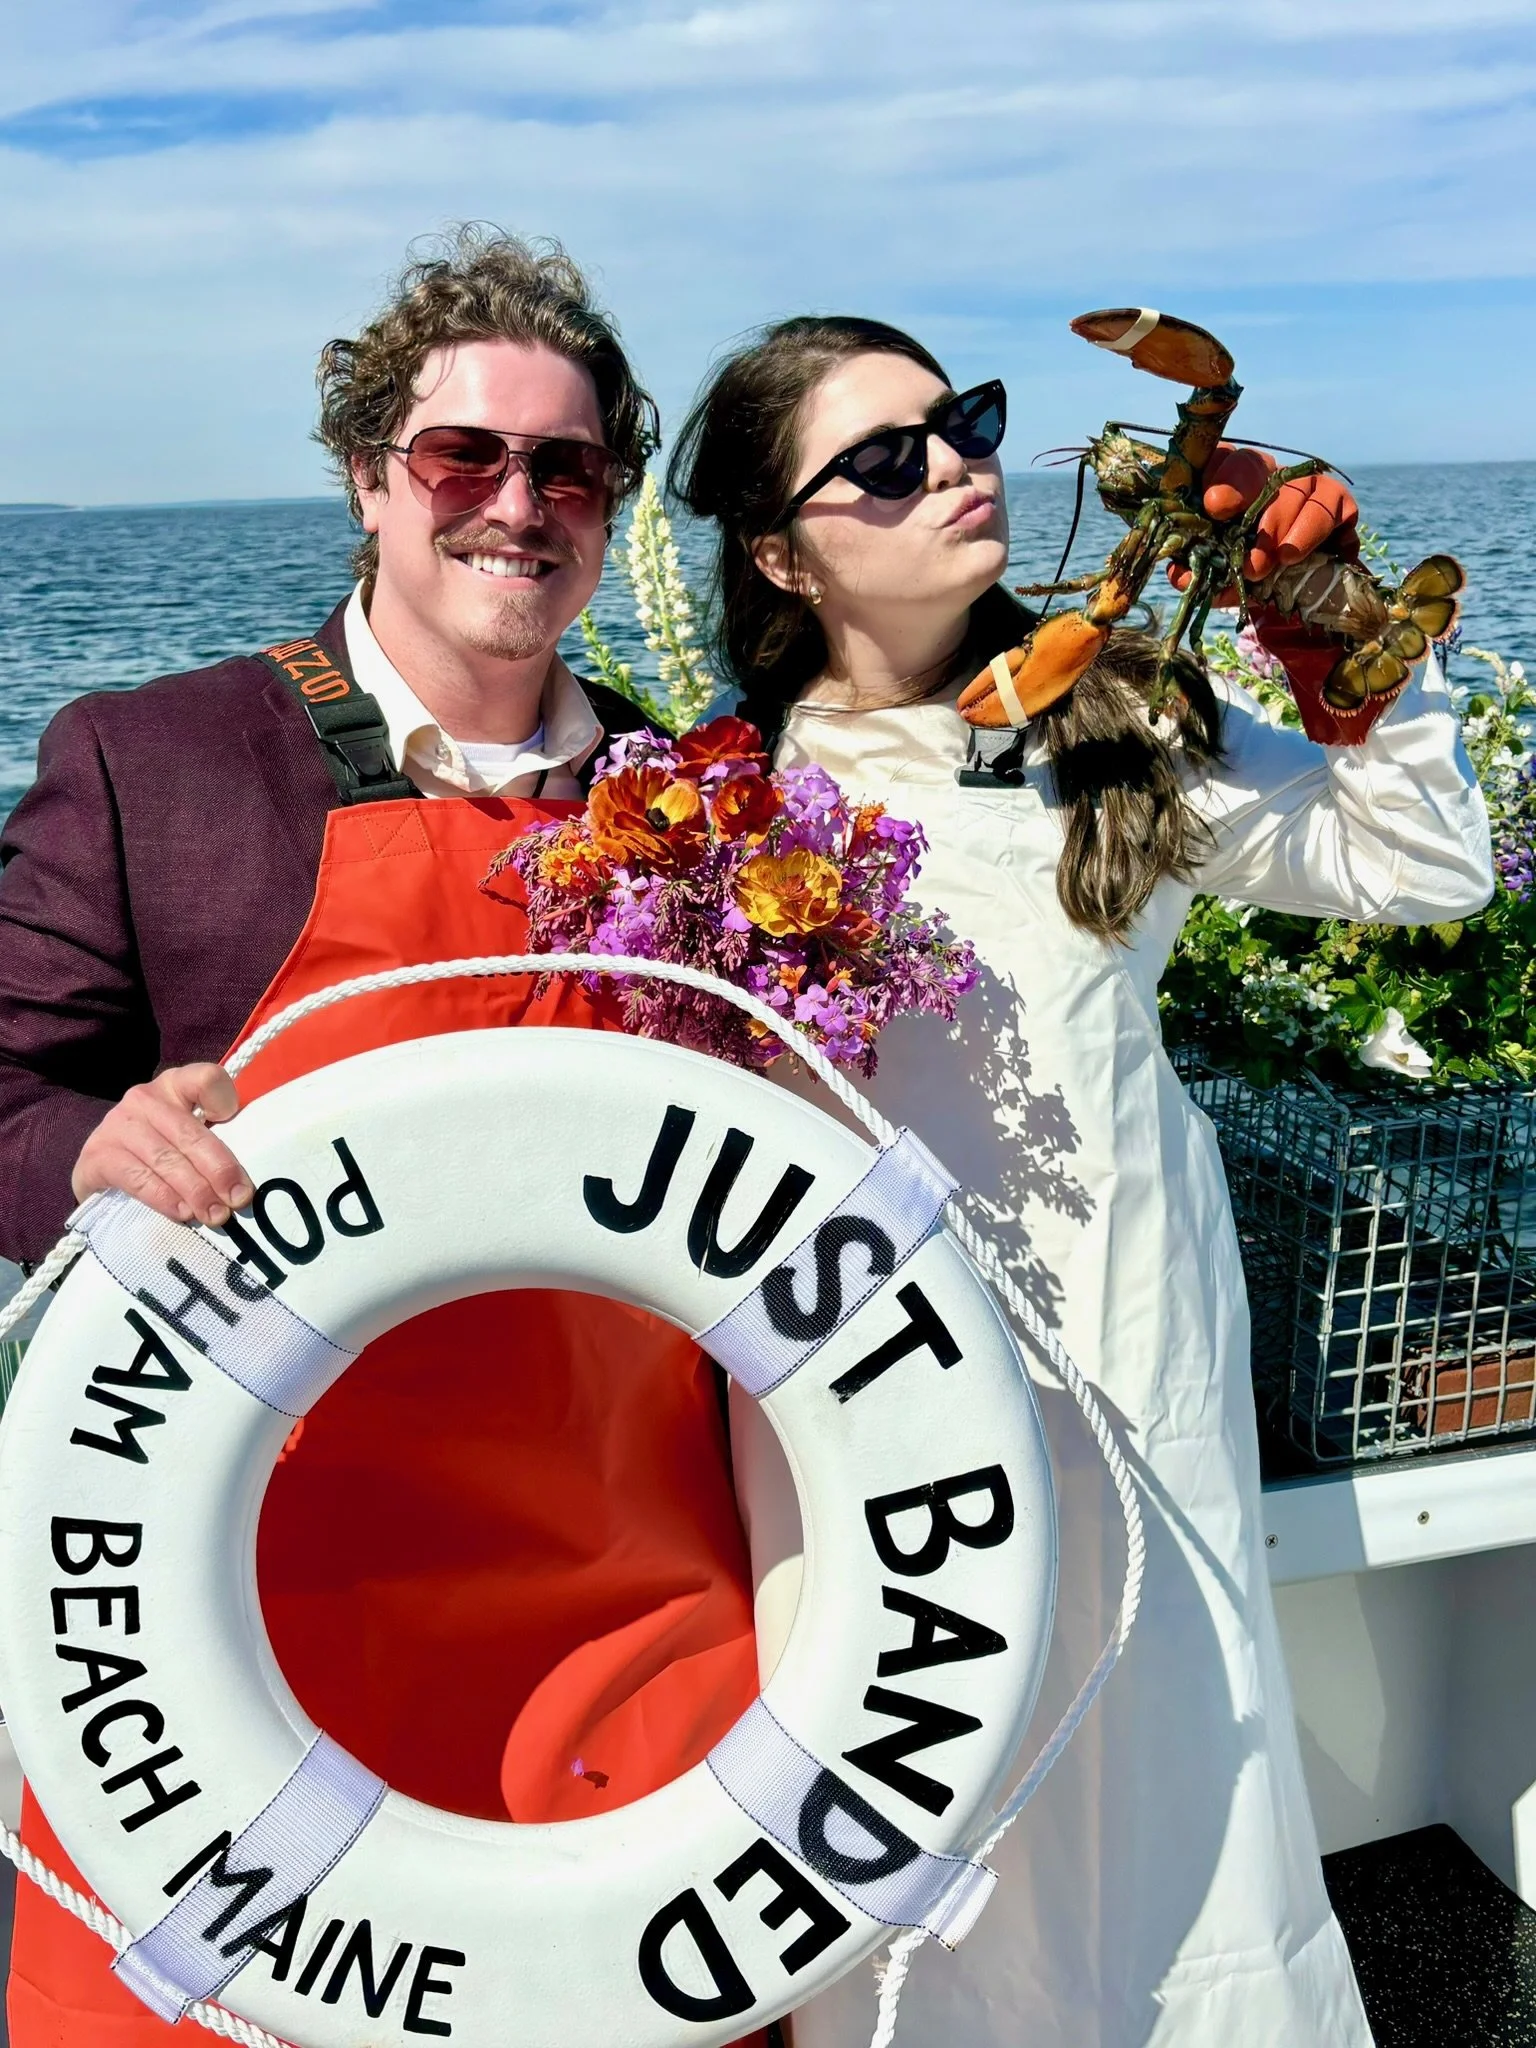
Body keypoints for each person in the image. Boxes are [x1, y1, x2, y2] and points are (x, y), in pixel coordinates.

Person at [671, 315, 1493, 2048]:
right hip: (850, 1377)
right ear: (775, 548)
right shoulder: (719, 793)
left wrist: (1342, 639)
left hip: (1130, 1319)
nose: (957, 463)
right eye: (886, 458)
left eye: (963, 422)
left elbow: (1425, 864)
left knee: (1167, 1767)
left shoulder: (1125, 719)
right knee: (907, 1772)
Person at [0, 229, 766, 2045]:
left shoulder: (694, 799)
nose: (519, 504)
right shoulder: (155, 762)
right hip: (234, 1609)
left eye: (570, 467)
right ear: (369, 478)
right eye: (462, 458)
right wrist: (86, 1155)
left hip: (631, 1603)